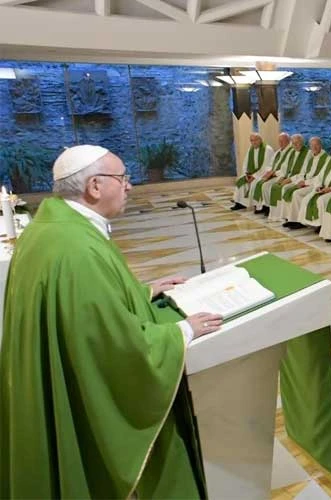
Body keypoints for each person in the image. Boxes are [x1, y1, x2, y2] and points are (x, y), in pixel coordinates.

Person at [0, 145, 221, 498]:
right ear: (95, 187)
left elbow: (86, 304)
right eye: (123, 178)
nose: (129, 186)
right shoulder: (76, 248)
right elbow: (113, 345)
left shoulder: (56, 225)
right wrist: (183, 330)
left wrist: (142, 292)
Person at [292, 140, 331, 229]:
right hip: (323, 187)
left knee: (321, 201)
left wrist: (330, 188)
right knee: (306, 199)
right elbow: (320, 176)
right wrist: (318, 185)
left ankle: (322, 226)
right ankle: (304, 222)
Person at [280, 137, 331, 227]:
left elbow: (320, 178)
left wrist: (305, 183)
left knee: (297, 194)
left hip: (316, 184)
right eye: (312, 145)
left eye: (316, 145)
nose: (314, 148)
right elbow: (304, 173)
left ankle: (298, 221)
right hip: (307, 181)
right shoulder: (312, 157)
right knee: (287, 189)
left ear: (321, 145)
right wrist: (300, 181)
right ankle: (290, 218)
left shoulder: (327, 159)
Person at [266, 134, 308, 221]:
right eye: (293, 143)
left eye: (297, 143)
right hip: (288, 177)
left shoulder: (307, 154)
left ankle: (290, 217)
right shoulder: (292, 152)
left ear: (302, 143)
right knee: (275, 186)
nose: (295, 145)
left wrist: (290, 179)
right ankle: (278, 215)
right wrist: (282, 177)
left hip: (298, 179)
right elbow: (285, 167)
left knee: (285, 188)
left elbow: (304, 173)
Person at [231, 132, 273, 210]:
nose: (253, 142)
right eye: (251, 140)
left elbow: (266, 166)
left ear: (260, 140)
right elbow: (245, 163)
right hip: (251, 174)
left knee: (255, 183)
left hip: (262, 174)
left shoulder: (267, 149)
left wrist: (254, 176)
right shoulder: (250, 149)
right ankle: (240, 203)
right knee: (241, 180)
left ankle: (259, 207)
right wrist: (246, 174)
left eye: (255, 140)